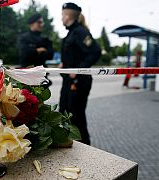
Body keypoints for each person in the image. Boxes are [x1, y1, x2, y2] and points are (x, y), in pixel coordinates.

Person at [59, 3, 101, 145]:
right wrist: (64, 65)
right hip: (69, 82)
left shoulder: (81, 32)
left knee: (77, 117)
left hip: (79, 82)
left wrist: (78, 69)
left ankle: (85, 149)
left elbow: (96, 51)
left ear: (67, 15)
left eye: (62, 15)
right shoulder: (71, 33)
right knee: (64, 112)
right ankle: (69, 145)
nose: (61, 19)